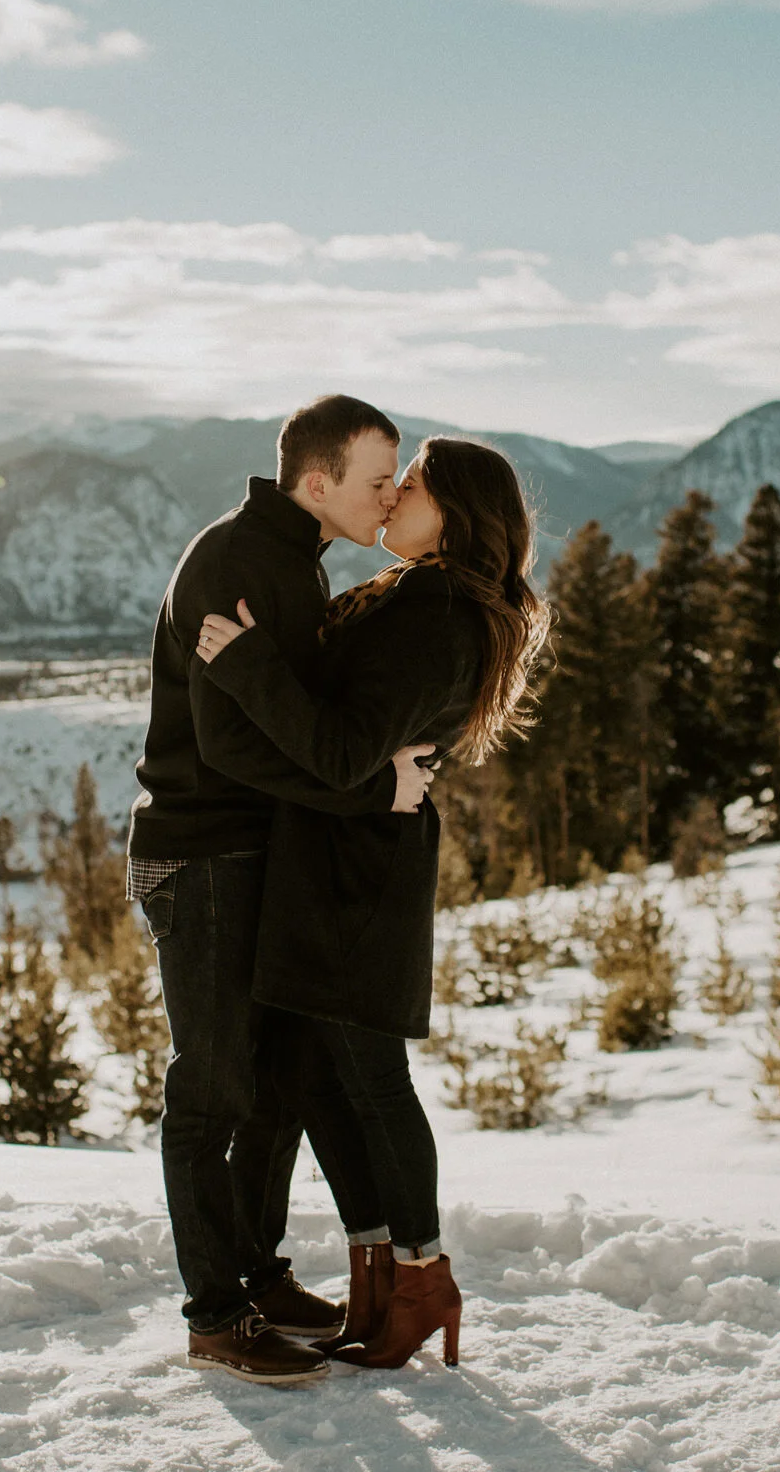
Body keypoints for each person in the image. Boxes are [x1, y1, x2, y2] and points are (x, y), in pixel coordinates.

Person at [194, 435, 550, 1369]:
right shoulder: (426, 598)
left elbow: (345, 746)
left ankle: (421, 1278)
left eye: (416, 484)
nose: (393, 497)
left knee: (368, 1076)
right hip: (344, 858)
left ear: (459, 512)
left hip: (357, 870)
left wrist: (246, 666)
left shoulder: (434, 609)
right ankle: (382, 1273)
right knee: (322, 1074)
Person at [125, 394, 440, 1386]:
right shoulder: (237, 562)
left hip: (252, 854)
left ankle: (257, 1279)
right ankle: (214, 1314)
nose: (389, 497)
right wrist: (370, 782)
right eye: (376, 479)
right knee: (212, 1089)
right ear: (317, 482)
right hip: (203, 852)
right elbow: (231, 744)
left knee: (269, 1088)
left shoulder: (289, 559)